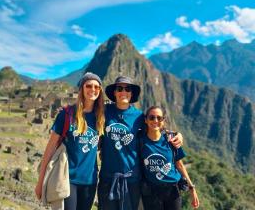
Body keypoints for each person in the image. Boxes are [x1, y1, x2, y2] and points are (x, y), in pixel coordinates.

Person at [97, 76, 183, 210]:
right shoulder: (105, 111)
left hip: (132, 179)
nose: (123, 92)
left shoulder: (139, 116)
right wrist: (68, 111)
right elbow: (86, 114)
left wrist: (177, 135)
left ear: (131, 93)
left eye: (127, 89)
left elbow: (156, 130)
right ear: (114, 92)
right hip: (109, 178)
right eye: (119, 88)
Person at [35, 72, 105, 210]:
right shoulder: (67, 115)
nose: (93, 90)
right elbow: (49, 149)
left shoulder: (101, 117)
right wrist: (40, 181)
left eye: (96, 87)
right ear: (82, 89)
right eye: (89, 86)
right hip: (68, 179)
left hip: (90, 181)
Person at [140, 106, 199, 210]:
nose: (155, 120)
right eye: (151, 117)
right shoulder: (140, 141)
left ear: (163, 120)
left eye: (159, 118)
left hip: (172, 191)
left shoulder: (171, 139)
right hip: (151, 192)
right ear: (145, 120)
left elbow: (179, 165)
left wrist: (191, 188)